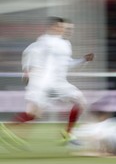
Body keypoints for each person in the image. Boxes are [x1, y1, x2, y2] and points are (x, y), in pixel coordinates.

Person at [0, 17, 94, 149]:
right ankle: (6, 127)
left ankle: (67, 134)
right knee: (35, 113)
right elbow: (30, 53)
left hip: (58, 83)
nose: (66, 30)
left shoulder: (65, 44)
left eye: (67, 28)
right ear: (54, 27)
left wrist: (82, 60)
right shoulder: (45, 41)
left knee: (80, 102)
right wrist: (27, 71)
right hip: (44, 83)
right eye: (63, 27)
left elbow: (67, 63)